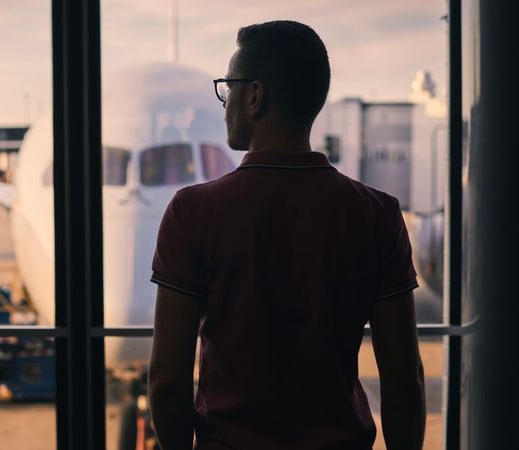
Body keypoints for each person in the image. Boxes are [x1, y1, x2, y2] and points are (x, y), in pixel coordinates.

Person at [148, 20, 425, 450]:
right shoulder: (378, 214)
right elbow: (404, 380)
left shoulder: (193, 212)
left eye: (230, 87)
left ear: (255, 96)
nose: (226, 104)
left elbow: (167, 382)